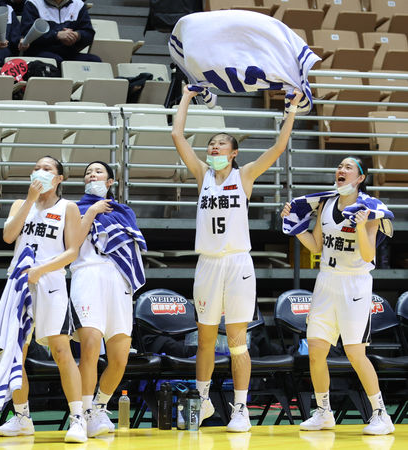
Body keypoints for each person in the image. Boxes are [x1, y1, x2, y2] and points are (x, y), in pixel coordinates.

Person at [171, 85, 303, 432]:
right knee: (204, 340)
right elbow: (176, 134)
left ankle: (241, 408)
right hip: (208, 263)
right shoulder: (202, 176)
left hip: (238, 264)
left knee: (237, 341)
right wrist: (186, 96)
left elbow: (277, 147)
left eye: (220, 144)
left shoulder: (243, 176)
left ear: (234, 152)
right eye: (210, 144)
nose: (213, 148)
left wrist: (290, 111)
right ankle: (202, 402)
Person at [281, 157, 395, 435]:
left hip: (354, 284)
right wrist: (294, 226)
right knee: (316, 351)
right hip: (326, 282)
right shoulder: (326, 204)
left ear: (360, 178)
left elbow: (369, 255)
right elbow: (317, 244)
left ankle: (381, 414)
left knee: (355, 352)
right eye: (339, 167)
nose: (341, 171)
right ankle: (323, 412)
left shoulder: (369, 210)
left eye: (348, 168)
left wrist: (360, 224)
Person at [0, 156, 87, 443]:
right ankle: (22, 418)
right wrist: (29, 199)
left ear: (59, 179)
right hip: (18, 282)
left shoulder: (67, 208)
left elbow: (72, 251)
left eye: (47, 169)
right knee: (15, 353)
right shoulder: (21, 204)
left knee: (61, 351)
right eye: (36, 167)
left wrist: (41, 270)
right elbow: (9, 236)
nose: (40, 172)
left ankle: (78, 419)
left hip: (50, 282)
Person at [70, 161, 146, 437]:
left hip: (119, 282)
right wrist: (91, 212)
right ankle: (82, 414)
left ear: (111, 181)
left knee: (120, 357)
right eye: (88, 172)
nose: (92, 174)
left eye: (98, 172)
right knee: (89, 347)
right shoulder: (74, 209)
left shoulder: (124, 212)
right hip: (87, 275)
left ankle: (100, 407)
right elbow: (72, 242)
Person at [19, 0, 101, 64]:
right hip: (41, 52)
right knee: (57, 61)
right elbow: (28, 34)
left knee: (95, 61)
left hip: (69, 52)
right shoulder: (33, 3)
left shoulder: (78, 4)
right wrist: (56, 35)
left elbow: (89, 33)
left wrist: (77, 35)